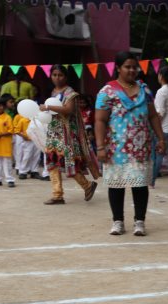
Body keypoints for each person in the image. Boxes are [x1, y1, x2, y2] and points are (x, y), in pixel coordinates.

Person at [95, 51, 166, 236]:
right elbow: (100, 120)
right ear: (118, 68)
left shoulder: (145, 90)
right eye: (127, 67)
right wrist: (100, 147)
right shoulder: (107, 92)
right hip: (115, 148)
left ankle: (139, 222)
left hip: (141, 147)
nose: (132, 70)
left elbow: (153, 116)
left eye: (135, 67)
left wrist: (161, 138)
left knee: (140, 184)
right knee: (116, 184)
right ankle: (117, 221)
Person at [39, 65, 100, 205]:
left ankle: (87, 185)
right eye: (54, 75)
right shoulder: (53, 92)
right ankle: (57, 195)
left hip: (66, 133)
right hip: (53, 132)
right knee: (52, 162)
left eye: (60, 75)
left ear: (65, 77)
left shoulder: (70, 92)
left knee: (68, 162)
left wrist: (48, 107)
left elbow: (68, 110)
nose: (57, 78)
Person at [12, 111, 42, 180]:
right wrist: (24, 136)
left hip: (37, 140)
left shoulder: (38, 120)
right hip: (28, 141)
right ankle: (22, 171)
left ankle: (34, 171)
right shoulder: (23, 120)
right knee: (26, 156)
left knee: (36, 156)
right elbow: (16, 130)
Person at [0, 98, 14, 187]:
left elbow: (11, 131)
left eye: (0, 106)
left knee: (7, 163)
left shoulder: (7, 117)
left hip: (5, 144)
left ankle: (10, 180)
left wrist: (1, 135)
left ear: (4, 107)